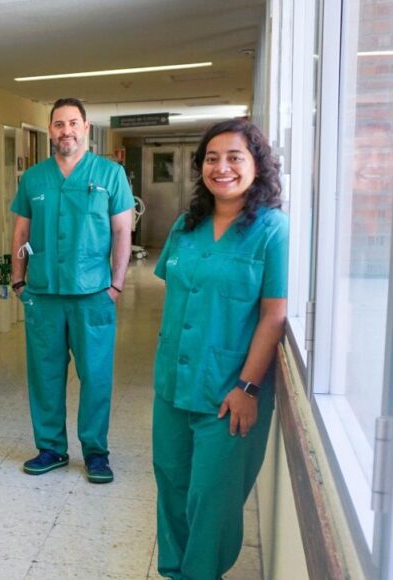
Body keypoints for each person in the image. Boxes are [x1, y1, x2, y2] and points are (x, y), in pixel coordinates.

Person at [152, 119, 288, 579]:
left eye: (234, 157)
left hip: (229, 391)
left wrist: (248, 387)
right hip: (173, 383)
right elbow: (177, 293)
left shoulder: (273, 231)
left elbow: (274, 315)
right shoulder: (186, 225)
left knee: (212, 498)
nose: (221, 167)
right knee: (171, 484)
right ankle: (175, 572)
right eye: (211, 158)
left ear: (257, 166)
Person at [10, 97, 134, 482]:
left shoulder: (110, 174)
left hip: (93, 294)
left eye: (73, 123)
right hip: (43, 292)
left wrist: (116, 284)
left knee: (95, 375)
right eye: (59, 124)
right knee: (44, 374)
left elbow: (122, 231)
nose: (66, 131)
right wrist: (18, 281)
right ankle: (50, 448)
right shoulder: (34, 178)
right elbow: (21, 231)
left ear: (86, 128)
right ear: (50, 130)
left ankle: (96, 452)